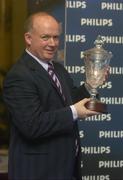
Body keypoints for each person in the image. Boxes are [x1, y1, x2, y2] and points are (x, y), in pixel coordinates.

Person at [3, 12, 100, 180]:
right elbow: (32, 126)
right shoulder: (19, 75)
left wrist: (91, 84)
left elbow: (70, 101)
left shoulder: (58, 69)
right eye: (45, 37)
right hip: (38, 172)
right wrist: (74, 112)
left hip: (66, 168)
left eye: (56, 37)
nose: (52, 43)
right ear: (28, 38)